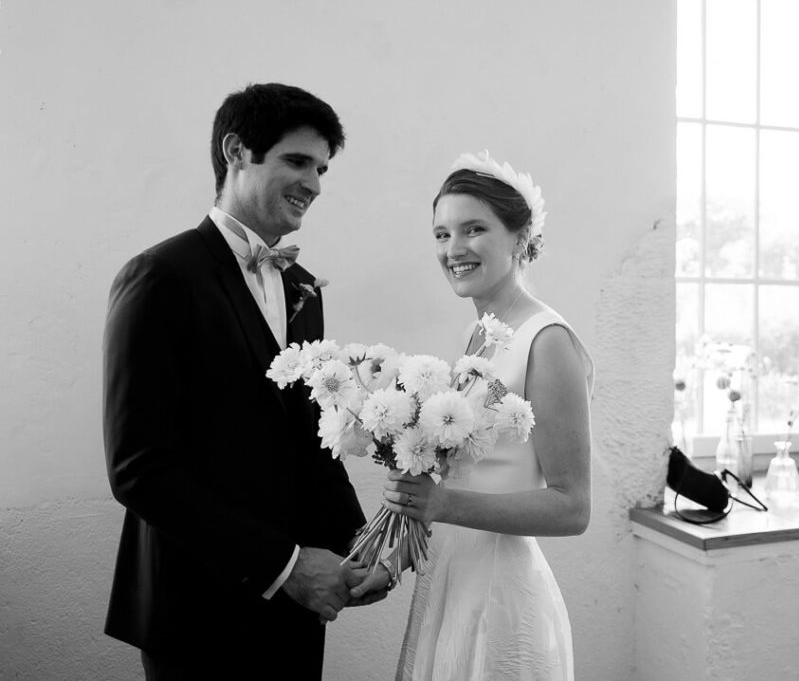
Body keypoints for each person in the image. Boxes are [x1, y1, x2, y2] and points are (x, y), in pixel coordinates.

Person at [102, 82, 383, 680]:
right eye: (297, 160)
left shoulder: (303, 287)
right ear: (236, 151)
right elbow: (139, 469)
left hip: (298, 613)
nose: (314, 183)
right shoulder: (160, 277)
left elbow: (311, 440)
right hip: (197, 610)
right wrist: (286, 566)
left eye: (322, 168)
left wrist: (361, 545)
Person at [352, 150, 594, 680]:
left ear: (519, 237)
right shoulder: (477, 336)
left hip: (500, 599)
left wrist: (439, 503)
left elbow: (572, 508)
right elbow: (464, 479)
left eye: (473, 229)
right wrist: (393, 561)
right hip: (450, 581)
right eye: (441, 234)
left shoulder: (546, 341)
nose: (454, 249)